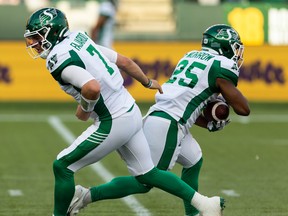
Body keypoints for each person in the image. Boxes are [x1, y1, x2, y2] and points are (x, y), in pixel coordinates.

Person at [24, 8, 225, 216]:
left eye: (37, 37)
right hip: (131, 110)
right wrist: (147, 82)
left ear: (52, 32)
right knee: (148, 174)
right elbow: (124, 62)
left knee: (62, 166)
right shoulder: (78, 39)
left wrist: (84, 110)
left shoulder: (57, 57)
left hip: (113, 120)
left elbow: (91, 88)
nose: (34, 44)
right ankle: (205, 204)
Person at [66, 24, 250, 216]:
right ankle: (85, 195)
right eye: (234, 47)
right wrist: (223, 105)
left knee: (193, 160)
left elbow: (186, 104)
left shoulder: (191, 56)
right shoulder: (221, 65)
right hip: (168, 124)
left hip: (164, 117)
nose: (236, 53)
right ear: (224, 46)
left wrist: (207, 121)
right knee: (145, 181)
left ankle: (193, 214)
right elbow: (243, 109)